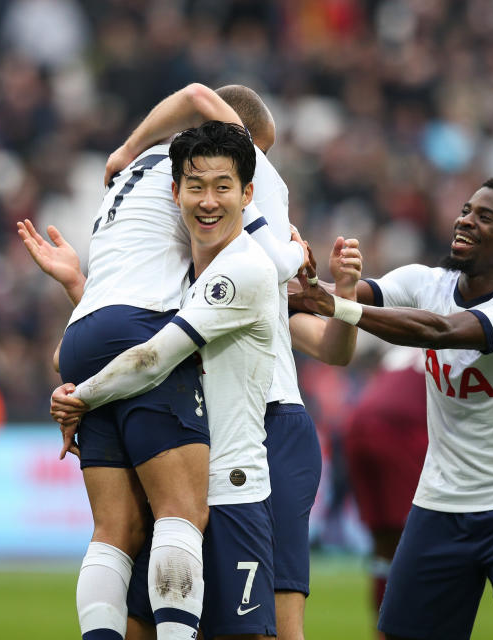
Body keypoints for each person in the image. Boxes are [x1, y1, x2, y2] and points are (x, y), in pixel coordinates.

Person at [23, 83, 359, 640]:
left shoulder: (251, 263)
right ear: (178, 188)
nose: (210, 197)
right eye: (198, 184)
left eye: (228, 181)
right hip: (186, 431)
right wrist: (83, 286)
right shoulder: (179, 276)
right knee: (147, 610)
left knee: (271, 623)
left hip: (267, 428)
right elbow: (137, 346)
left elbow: (328, 348)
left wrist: (342, 296)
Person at [292, 177, 493, 640]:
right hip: (440, 503)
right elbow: (337, 298)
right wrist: (294, 284)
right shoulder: (425, 282)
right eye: (466, 210)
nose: (466, 219)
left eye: (485, 217)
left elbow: (439, 331)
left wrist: (336, 305)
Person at [342, 346, 428, 639]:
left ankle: (384, 628)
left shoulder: (406, 345)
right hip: (403, 429)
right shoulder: (459, 338)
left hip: (358, 426)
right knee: (417, 541)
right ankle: (405, 626)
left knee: (384, 545)